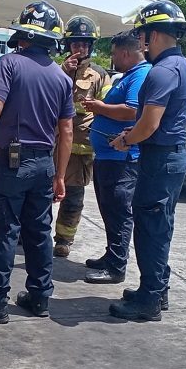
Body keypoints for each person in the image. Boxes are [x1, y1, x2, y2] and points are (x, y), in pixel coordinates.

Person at [0, 0, 74, 323]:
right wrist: (60, 175)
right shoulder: (62, 78)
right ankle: (39, 297)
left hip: (13, 162)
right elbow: (66, 131)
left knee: (3, 229)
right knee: (39, 231)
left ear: (23, 35)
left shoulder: (10, 64)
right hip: (45, 164)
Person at [108, 0, 186, 322]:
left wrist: (126, 140)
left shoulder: (162, 71)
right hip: (169, 157)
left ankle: (149, 299)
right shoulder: (182, 66)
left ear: (154, 35)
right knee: (160, 226)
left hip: (159, 160)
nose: (141, 41)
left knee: (150, 229)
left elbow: (150, 124)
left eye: (143, 34)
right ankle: (157, 288)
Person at [80, 30, 150, 284]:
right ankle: (111, 255)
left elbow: (132, 111)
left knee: (119, 213)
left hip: (122, 160)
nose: (112, 58)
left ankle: (116, 266)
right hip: (108, 157)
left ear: (125, 52)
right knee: (109, 211)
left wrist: (100, 107)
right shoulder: (128, 76)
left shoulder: (140, 75)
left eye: (114, 53)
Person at [52, 15, 106, 258]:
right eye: (76, 44)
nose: (80, 48)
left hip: (80, 149)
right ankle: (31, 234)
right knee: (39, 194)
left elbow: (108, 108)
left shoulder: (100, 76)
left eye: (85, 44)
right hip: (51, 145)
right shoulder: (54, 70)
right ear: (67, 46)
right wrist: (63, 72)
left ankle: (64, 240)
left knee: (73, 198)